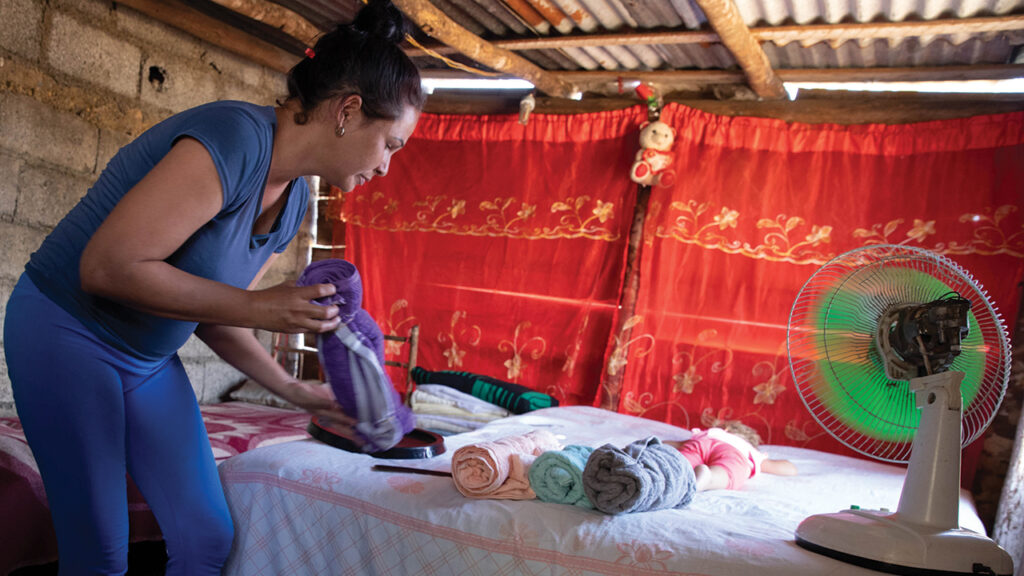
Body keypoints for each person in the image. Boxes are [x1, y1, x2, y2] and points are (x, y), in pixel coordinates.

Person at [2, 1, 423, 573]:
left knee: (206, 537)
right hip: (67, 331)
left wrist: (294, 390)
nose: (385, 168)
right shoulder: (234, 138)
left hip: (146, 360)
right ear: (349, 111)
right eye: (391, 144)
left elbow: (214, 313)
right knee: (100, 549)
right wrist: (259, 306)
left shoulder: (295, 198)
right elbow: (107, 267)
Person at [665, 421, 798, 491]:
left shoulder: (712, 433)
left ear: (726, 429)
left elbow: (674, 444)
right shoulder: (749, 450)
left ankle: (674, 472)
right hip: (733, 452)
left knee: (682, 460)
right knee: (727, 472)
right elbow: (789, 469)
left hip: (703, 443)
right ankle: (709, 478)